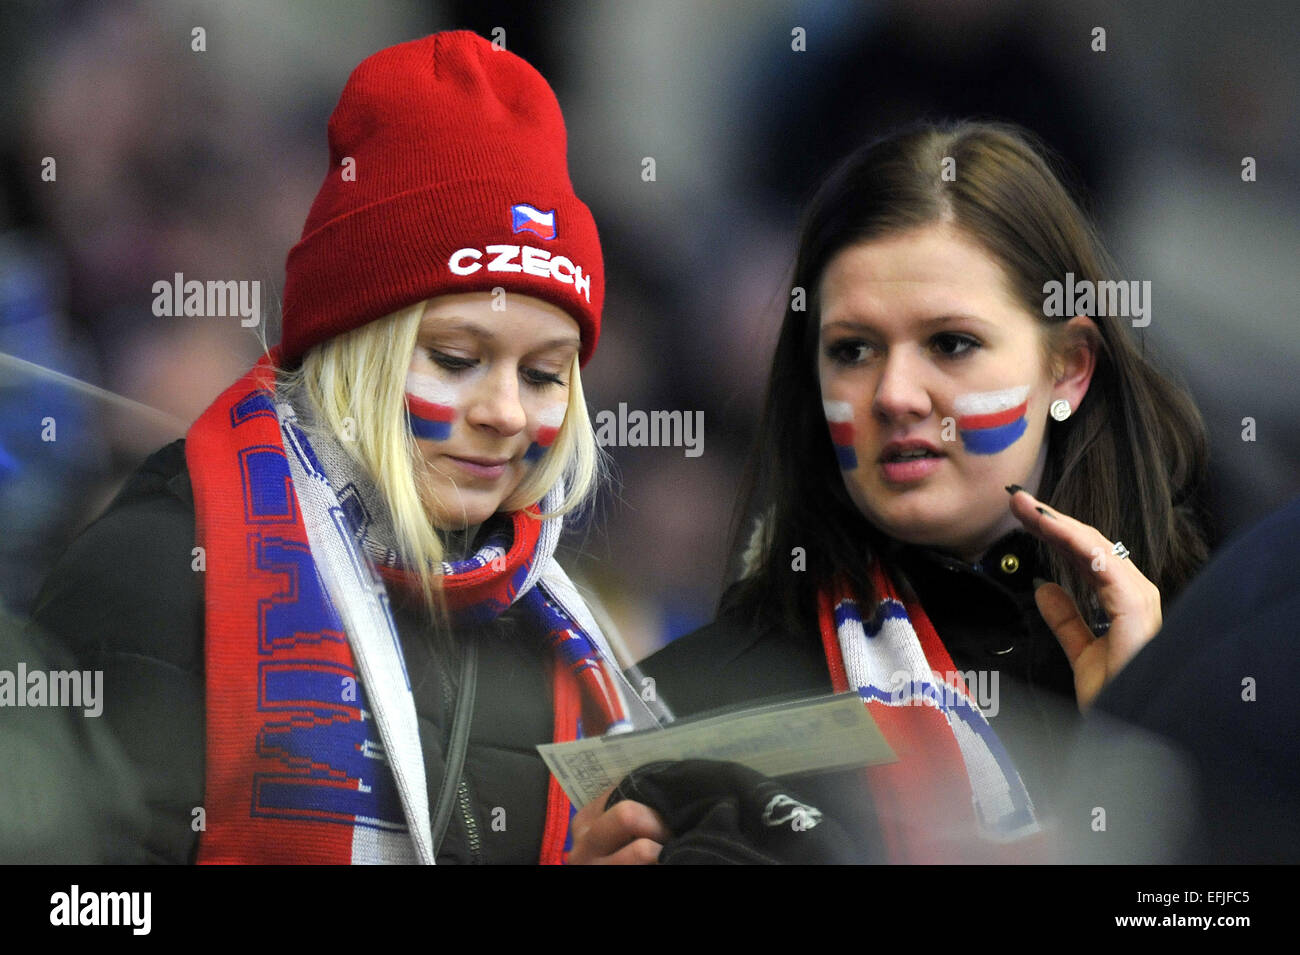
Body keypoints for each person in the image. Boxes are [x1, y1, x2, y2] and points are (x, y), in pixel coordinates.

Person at [28, 31, 657, 865]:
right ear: (355, 349)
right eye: (457, 359)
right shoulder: (159, 562)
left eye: (544, 374)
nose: (506, 412)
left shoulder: (555, 636)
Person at [626, 120, 1210, 863]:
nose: (896, 394)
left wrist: (1141, 752)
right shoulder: (684, 706)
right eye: (854, 349)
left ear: (1067, 368)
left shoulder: (1219, 667)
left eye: (951, 343)